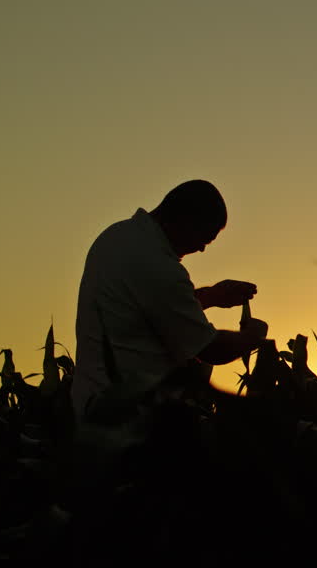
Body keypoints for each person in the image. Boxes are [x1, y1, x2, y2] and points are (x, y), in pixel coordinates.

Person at [71, 179, 268, 422]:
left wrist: (212, 296)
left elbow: (148, 309)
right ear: (186, 219)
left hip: (92, 405)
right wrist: (255, 335)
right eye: (204, 239)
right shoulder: (159, 266)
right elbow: (211, 349)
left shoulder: (115, 237)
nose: (201, 249)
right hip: (132, 421)